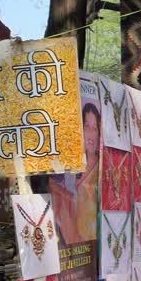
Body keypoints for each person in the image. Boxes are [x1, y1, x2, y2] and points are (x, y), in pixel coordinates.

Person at [48, 102, 100, 245]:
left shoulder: (102, 166)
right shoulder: (72, 160)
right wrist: (71, 197)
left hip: (93, 244)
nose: (90, 134)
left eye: (94, 128)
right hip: (67, 240)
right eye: (87, 127)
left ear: (99, 132)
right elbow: (51, 184)